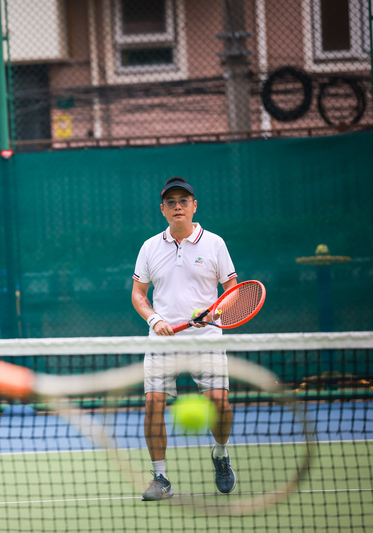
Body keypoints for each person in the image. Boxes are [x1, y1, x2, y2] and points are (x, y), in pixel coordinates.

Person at [130, 177, 238, 501]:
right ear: (163, 209)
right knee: (153, 406)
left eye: (184, 201)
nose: (178, 206)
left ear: (194, 206)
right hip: (163, 342)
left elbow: (233, 289)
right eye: (171, 202)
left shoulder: (215, 244)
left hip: (206, 339)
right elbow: (138, 294)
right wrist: (155, 319)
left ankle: (221, 455)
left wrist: (215, 315)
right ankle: (161, 478)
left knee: (219, 403)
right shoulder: (150, 247)